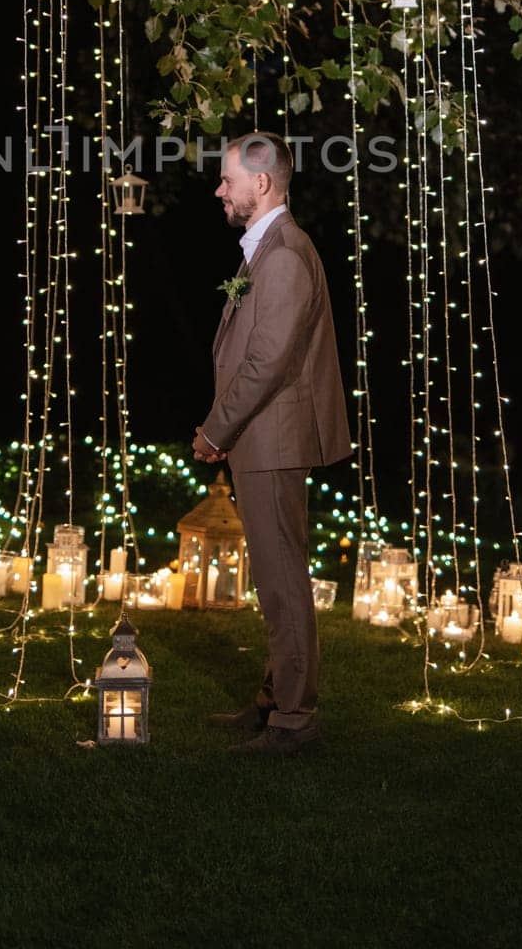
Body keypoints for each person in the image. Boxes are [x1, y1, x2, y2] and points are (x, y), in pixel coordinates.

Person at [193, 133, 349, 756]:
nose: (219, 190)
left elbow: (266, 362)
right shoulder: (266, 249)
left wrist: (215, 429)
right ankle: (273, 697)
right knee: (275, 574)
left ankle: (294, 717)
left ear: (261, 184)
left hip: (272, 437)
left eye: (227, 180)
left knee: (282, 576)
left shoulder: (283, 254)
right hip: (263, 436)